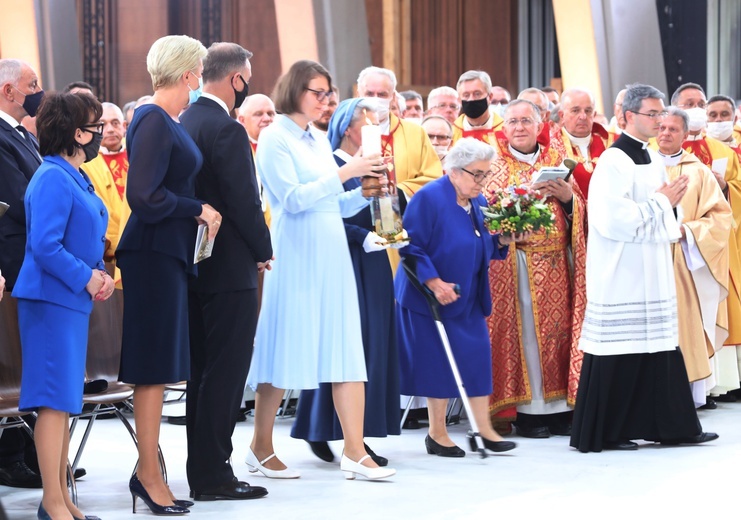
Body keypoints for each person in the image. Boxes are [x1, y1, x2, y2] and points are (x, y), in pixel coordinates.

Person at [245, 59, 395, 481]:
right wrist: (347, 172)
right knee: (282, 351)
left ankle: (354, 451)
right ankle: (259, 446)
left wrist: (367, 193)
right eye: (318, 91)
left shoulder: (314, 138)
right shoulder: (275, 137)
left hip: (331, 254)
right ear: (294, 90)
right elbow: (291, 200)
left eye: (329, 92)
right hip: (296, 256)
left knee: (346, 347)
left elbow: (334, 203)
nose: (327, 100)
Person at [570, 83, 718, 452]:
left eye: (660, 113)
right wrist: (659, 203)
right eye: (652, 114)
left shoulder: (651, 157)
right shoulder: (613, 160)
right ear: (627, 117)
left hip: (651, 266)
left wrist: (669, 208)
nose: (659, 120)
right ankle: (607, 431)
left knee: (660, 347)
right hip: (622, 270)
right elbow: (608, 218)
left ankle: (674, 426)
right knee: (620, 350)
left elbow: (663, 210)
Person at [117, 34, 220, 515]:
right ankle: (148, 473)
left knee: (160, 369)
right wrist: (196, 207)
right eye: (199, 70)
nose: (201, 78)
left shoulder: (165, 119)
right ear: (188, 74)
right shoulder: (153, 117)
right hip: (152, 253)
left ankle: (150, 471)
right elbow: (143, 196)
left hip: (166, 254)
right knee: (153, 369)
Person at [15, 91, 112, 520]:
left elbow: (82, 233)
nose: (100, 133)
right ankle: (51, 501)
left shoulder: (75, 173)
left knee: (64, 401)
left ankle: (62, 498)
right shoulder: (52, 176)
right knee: (53, 403)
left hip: (69, 302)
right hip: (51, 301)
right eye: (95, 126)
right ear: (77, 132)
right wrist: (86, 276)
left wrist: (98, 272)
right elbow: (45, 245)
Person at [180, 41, 271, 502]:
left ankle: (202, 469)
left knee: (202, 371)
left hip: (196, 265)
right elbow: (243, 200)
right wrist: (264, 247)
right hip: (231, 264)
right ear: (237, 79)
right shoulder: (227, 129)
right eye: (247, 77)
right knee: (227, 371)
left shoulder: (187, 120)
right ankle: (214, 475)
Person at [291, 98, 402, 465]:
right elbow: (323, 213)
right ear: (350, 128)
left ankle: (352, 433)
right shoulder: (331, 164)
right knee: (344, 345)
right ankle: (333, 431)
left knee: (372, 346)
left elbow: (380, 205)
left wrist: (391, 228)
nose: (378, 128)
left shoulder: (376, 164)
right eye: (370, 122)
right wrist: (360, 236)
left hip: (372, 263)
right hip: (343, 259)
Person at [396, 137, 518, 456]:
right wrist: (434, 282)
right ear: (453, 171)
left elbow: (482, 245)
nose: (482, 181)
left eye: (485, 174)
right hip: (430, 298)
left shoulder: (477, 202)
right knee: (439, 362)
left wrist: (504, 239)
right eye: (477, 174)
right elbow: (409, 245)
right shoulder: (429, 198)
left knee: (477, 361)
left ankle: (484, 429)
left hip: (468, 296)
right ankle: (437, 433)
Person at [485, 99, 587, 438]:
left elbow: (580, 210)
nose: (519, 127)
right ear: (504, 127)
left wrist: (568, 197)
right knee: (526, 337)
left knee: (559, 335)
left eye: (526, 120)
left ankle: (562, 409)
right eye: (512, 121)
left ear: (540, 122)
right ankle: (529, 413)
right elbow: (484, 213)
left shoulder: (557, 159)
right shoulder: (492, 164)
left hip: (558, 261)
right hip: (515, 265)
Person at [656, 106, 734, 405]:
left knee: (684, 328)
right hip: (645, 261)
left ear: (685, 134)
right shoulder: (641, 166)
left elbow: (720, 217)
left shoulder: (698, 171)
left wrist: (687, 231)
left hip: (682, 261)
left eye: (673, 129)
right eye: (661, 127)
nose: (665, 133)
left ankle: (685, 396)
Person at [0, 58, 44, 489]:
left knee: (32, 359)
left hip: (32, 260)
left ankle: (37, 453)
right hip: (15, 262)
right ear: (9, 90)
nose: (38, 91)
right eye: (32, 84)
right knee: (15, 360)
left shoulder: (20, 134)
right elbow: (18, 196)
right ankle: (12, 455)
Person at [80, 102, 128, 271]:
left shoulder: (138, 154)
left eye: (115, 123)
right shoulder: (85, 163)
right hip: (107, 251)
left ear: (124, 126)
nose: (109, 129)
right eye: (103, 124)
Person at [550, 88, 609, 198]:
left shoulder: (610, 144)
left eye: (588, 111)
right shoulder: (549, 149)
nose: (583, 116)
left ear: (594, 114)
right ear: (562, 116)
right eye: (575, 111)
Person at [451, 70, 503, 146]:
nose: (471, 99)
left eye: (477, 94)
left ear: (490, 97)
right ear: (459, 100)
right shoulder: (451, 133)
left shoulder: (505, 131)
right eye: (466, 95)